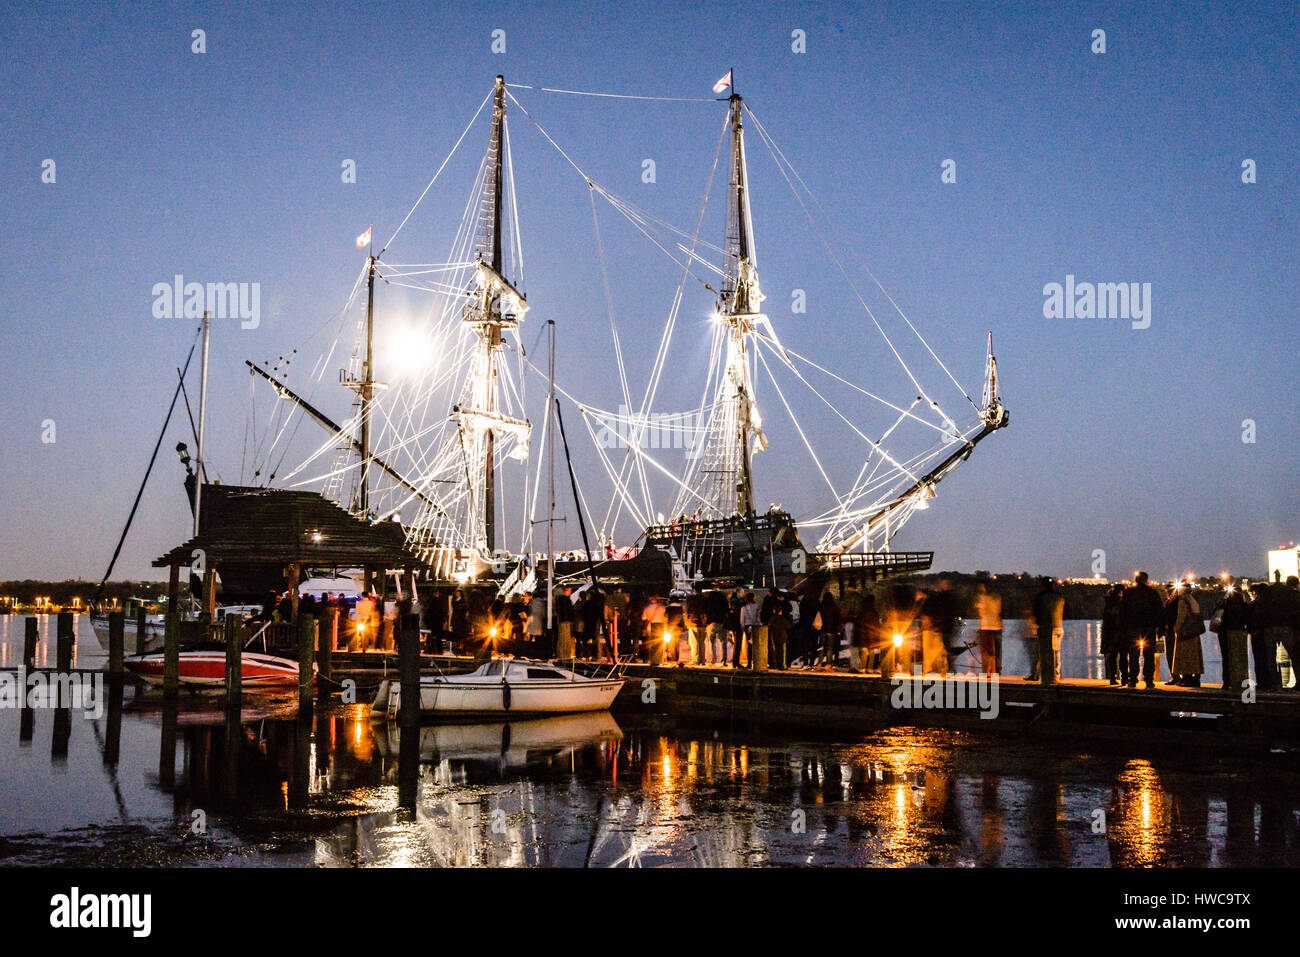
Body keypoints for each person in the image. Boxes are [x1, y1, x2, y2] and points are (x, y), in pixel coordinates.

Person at [1120, 571, 1164, 689]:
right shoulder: (1153, 593)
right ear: (1146, 580)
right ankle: (1149, 679)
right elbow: (1160, 611)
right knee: (1149, 655)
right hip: (1149, 628)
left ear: (1136, 580)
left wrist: (1124, 627)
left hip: (1132, 628)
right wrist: (1159, 628)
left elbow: (1122, 611)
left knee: (1133, 654)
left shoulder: (1128, 593)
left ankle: (1133, 679)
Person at [1213, 580, 1250, 695]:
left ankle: (1226, 682)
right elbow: (1247, 618)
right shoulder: (1243, 605)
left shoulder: (1224, 602)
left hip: (1224, 632)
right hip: (1238, 633)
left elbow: (1216, 614)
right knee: (1239, 658)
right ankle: (1239, 682)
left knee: (1226, 657)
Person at [1029, 577, 1064, 684]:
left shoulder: (1041, 597)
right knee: (1056, 653)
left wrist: (1038, 623)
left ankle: (1047, 678)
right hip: (1059, 627)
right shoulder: (1060, 597)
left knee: (1046, 654)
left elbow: (1036, 612)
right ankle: (1056, 676)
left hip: (1046, 628)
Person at [1170, 584, 1204, 687]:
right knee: (1194, 657)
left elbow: (1181, 618)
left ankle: (1186, 678)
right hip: (1194, 633)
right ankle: (1194, 679)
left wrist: (1175, 629)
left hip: (1185, 633)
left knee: (1185, 657)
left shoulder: (1182, 602)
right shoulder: (1193, 601)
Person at [974, 581, 1004, 676]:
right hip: (996, 625)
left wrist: (978, 606)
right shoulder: (997, 597)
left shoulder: (983, 598)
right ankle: (993, 670)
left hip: (986, 625)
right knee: (993, 651)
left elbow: (982, 612)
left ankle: (988, 671)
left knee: (986, 651)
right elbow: (998, 611)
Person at [762, 588, 791, 670]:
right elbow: (788, 623)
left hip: (772, 630)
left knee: (772, 647)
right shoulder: (781, 603)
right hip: (782, 632)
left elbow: (764, 613)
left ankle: (773, 663)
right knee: (781, 649)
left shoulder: (767, 601)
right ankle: (781, 665)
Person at [850, 592, 879, 673]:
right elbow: (877, 625)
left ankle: (862, 668)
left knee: (863, 651)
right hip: (872, 635)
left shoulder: (862, 613)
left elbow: (858, 624)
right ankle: (870, 669)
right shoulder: (875, 613)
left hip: (863, 635)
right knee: (871, 652)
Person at [817, 589, 843, 669]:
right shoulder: (835, 607)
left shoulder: (821, 607)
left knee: (822, 648)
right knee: (830, 648)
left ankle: (819, 664)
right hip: (832, 630)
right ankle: (828, 664)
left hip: (822, 630)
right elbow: (838, 619)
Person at [704, 590, 729, 664]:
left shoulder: (709, 600)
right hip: (722, 622)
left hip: (712, 623)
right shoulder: (724, 600)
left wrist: (707, 622)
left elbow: (707, 611)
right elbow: (727, 611)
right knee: (723, 642)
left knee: (712, 642)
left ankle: (713, 660)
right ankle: (724, 660)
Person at [684, 591, 708, 665]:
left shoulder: (691, 600)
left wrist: (687, 622)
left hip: (693, 623)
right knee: (702, 643)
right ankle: (702, 660)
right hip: (703, 624)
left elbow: (688, 611)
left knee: (694, 642)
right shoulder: (704, 600)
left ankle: (696, 659)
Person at [738, 591, 761, 668]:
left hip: (747, 626)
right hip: (756, 626)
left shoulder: (743, 608)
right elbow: (759, 617)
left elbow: (742, 619)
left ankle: (749, 663)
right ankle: (757, 662)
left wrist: (743, 627)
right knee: (756, 644)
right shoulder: (757, 606)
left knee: (749, 645)